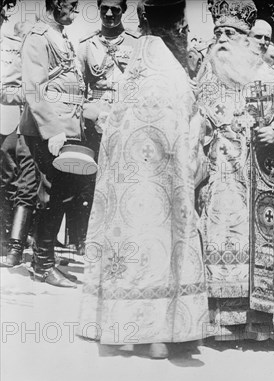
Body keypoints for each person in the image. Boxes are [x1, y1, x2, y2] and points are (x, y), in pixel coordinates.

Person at [78, 0, 209, 360]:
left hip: (129, 182)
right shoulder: (174, 69)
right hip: (167, 180)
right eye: (181, 23)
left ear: (145, 19)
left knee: (133, 246)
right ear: (178, 25)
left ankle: (122, 325)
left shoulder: (135, 67)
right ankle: (161, 334)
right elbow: (192, 130)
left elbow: (114, 125)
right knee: (163, 247)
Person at [195, 0, 274, 342]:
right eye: (218, 33)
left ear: (246, 38)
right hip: (219, 176)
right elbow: (192, 119)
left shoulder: (270, 78)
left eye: (231, 33)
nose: (223, 40)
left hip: (262, 174)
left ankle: (259, 325)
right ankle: (221, 323)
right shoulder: (205, 76)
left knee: (261, 245)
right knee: (219, 240)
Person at [19, 0, 88, 288]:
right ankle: (42, 265)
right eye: (72, 4)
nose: (75, 10)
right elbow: (34, 88)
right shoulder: (38, 36)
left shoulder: (58, 34)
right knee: (51, 193)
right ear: (57, 3)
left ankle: (44, 261)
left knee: (63, 193)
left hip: (67, 125)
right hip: (50, 129)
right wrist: (52, 130)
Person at [74, 0, 140, 254]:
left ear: (124, 11)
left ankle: (120, 239)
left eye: (116, 9)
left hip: (126, 121)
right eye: (105, 9)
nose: (110, 14)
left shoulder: (135, 43)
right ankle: (84, 239)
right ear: (98, 10)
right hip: (94, 122)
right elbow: (78, 87)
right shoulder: (87, 45)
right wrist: (89, 113)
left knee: (124, 181)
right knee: (89, 182)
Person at [1, 19, 38, 267]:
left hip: (50, 130)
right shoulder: (18, 61)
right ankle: (10, 243)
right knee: (14, 183)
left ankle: (24, 246)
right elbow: (5, 91)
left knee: (35, 186)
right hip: (22, 129)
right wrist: (33, 93)